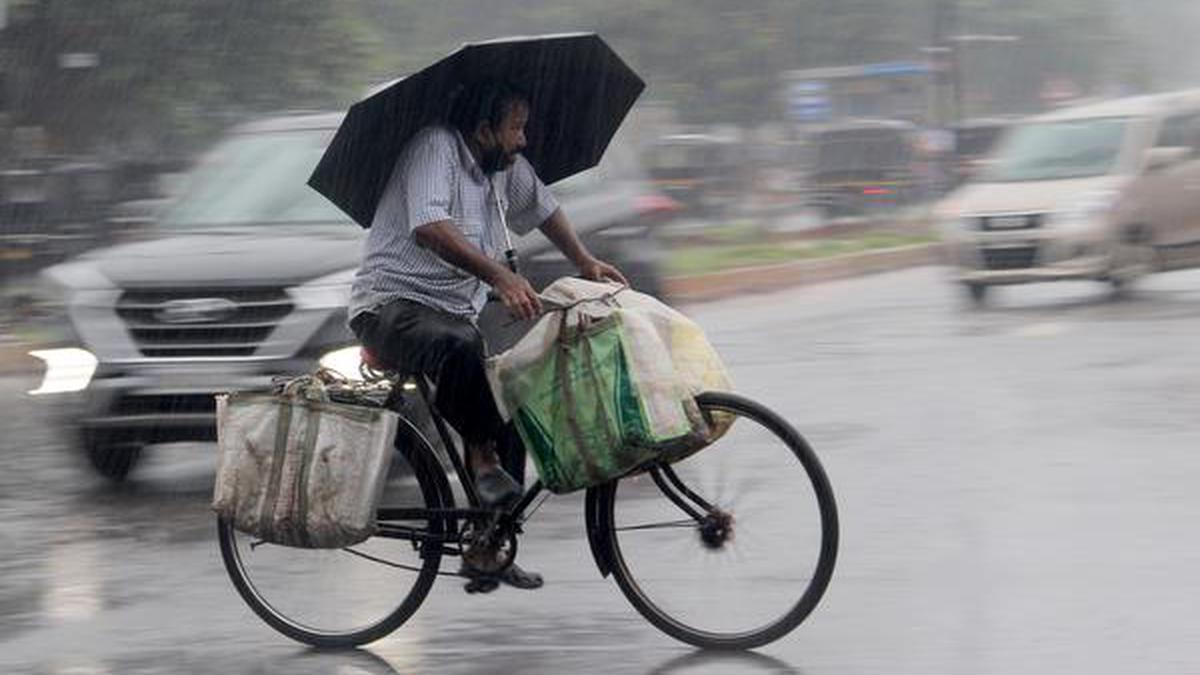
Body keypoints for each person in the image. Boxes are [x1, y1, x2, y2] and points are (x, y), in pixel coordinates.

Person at [347, 79, 627, 591]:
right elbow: (428, 225)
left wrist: (585, 262)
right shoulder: (435, 147)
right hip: (390, 308)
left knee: (515, 413)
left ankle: (485, 547)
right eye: (516, 128)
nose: (523, 139)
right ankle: (480, 456)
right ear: (482, 128)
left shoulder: (501, 169)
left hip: (451, 314)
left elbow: (543, 208)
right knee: (460, 347)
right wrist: (500, 276)